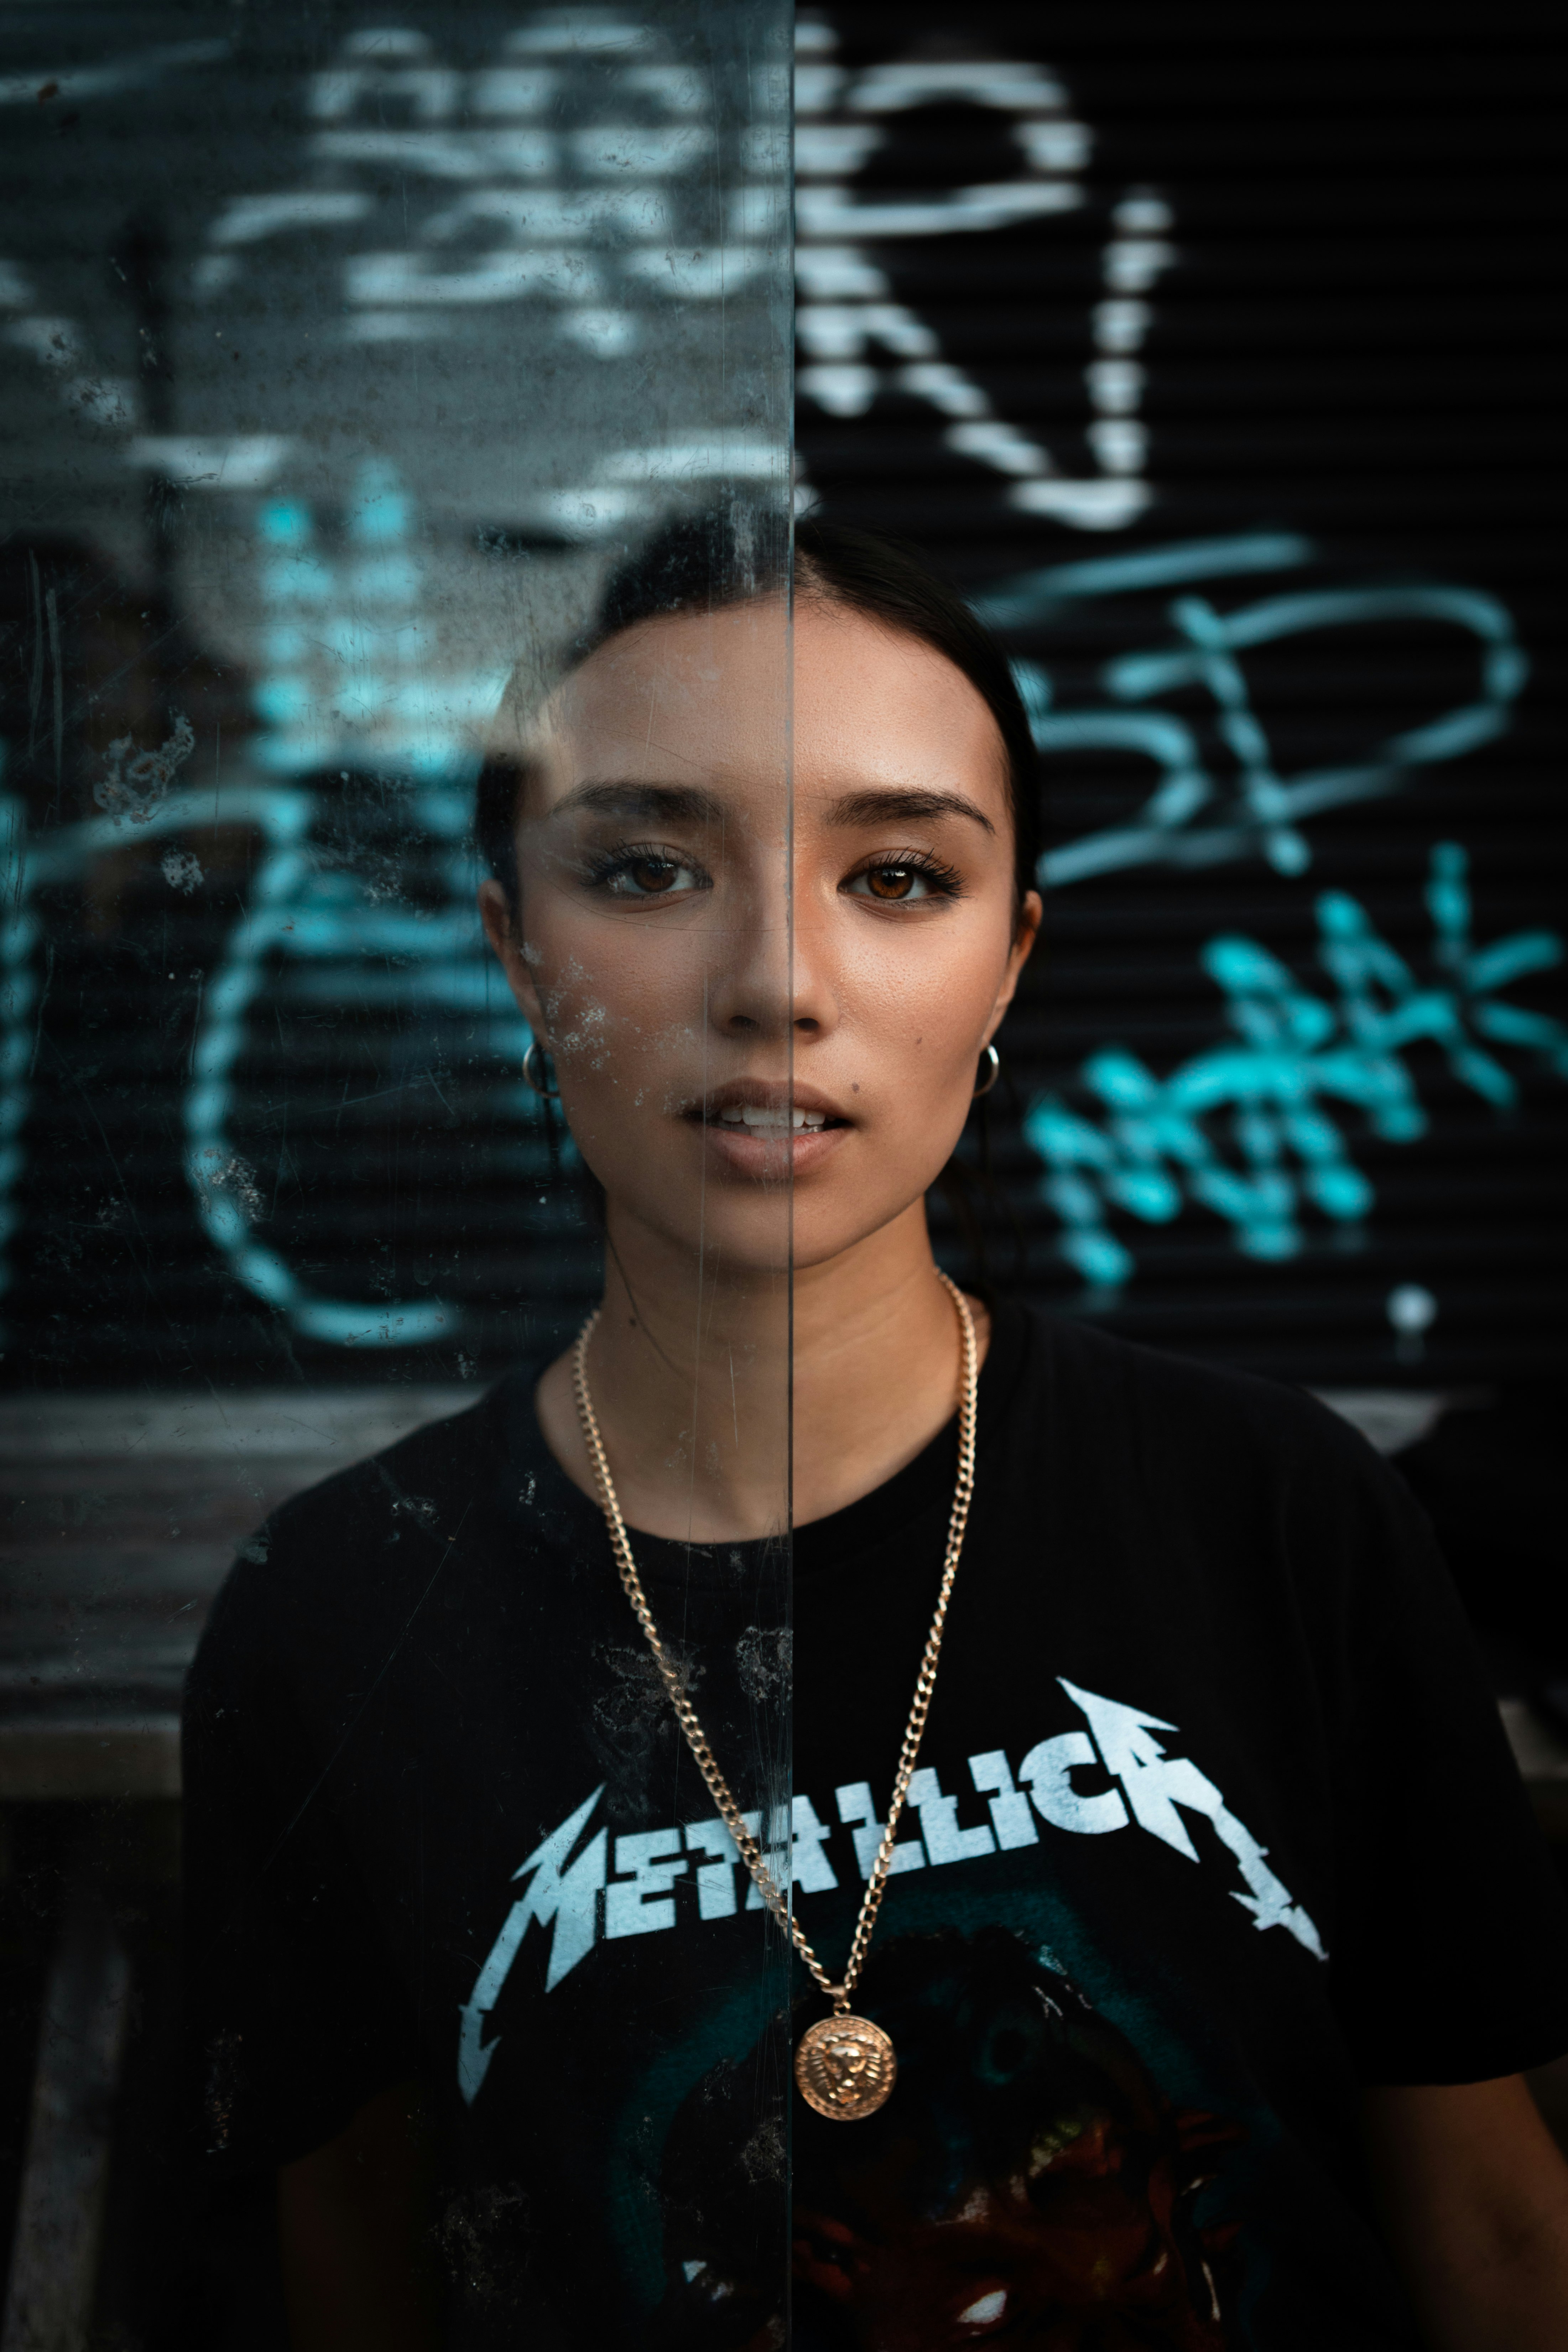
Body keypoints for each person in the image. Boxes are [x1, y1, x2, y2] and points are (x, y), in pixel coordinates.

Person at [183, 515, 1568, 2350]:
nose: (778, 981)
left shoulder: (1277, 1512)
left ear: (1009, 964)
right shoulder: (337, 1617)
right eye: (653, 866)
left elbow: (1492, 2231)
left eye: (901, 875)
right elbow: (354, 2274)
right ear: (522, 957)